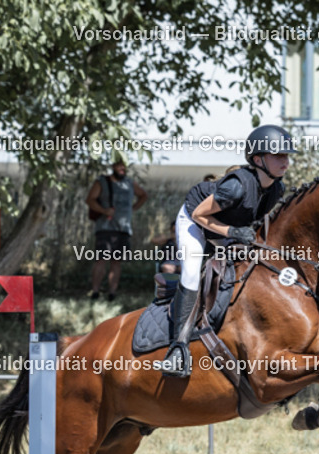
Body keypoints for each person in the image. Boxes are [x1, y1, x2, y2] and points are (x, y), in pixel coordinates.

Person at [162, 125, 297, 377]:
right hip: (195, 220)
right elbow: (199, 214)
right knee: (191, 275)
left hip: (224, 225)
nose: (285, 161)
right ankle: (178, 348)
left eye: (287, 156)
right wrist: (233, 233)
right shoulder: (237, 186)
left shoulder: (276, 189)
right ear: (258, 159)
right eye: (278, 155)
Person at [86, 159, 148, 301]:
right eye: (120, 166)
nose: (122, 169)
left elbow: (144, 195)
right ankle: (95, 291)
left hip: (124, 229)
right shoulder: (102, 181)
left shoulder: (130, 183)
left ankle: (112, 293)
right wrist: (104, 210)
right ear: (113, 166)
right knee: (101, 260)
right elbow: (90, 200)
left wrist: (132, 209)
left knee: (116, 261)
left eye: (124, 166)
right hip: (105, 228)